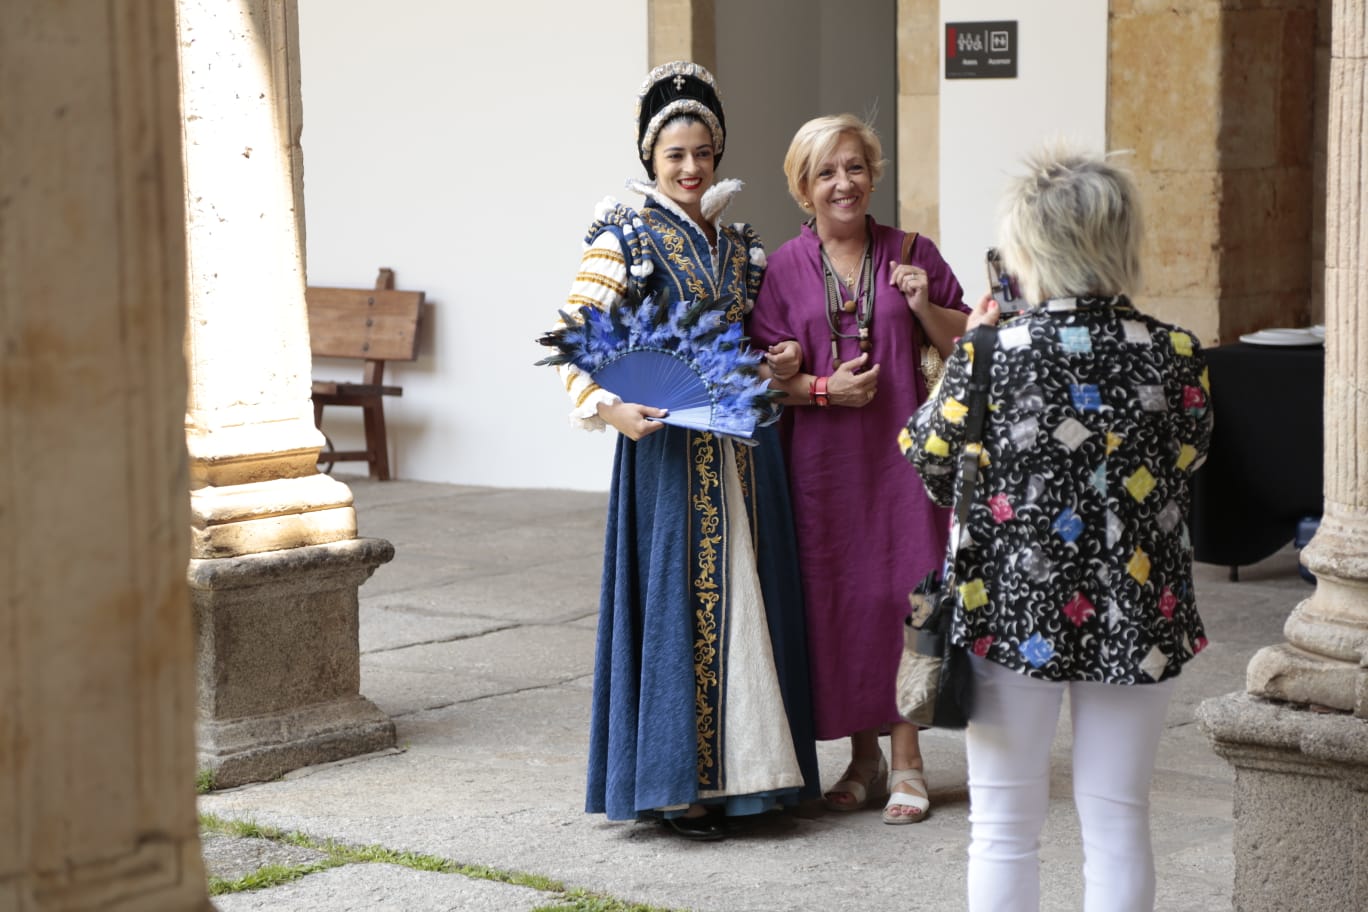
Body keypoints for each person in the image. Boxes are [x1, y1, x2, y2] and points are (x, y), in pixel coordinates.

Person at [902, 144, 1214, 910]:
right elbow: (1188, 456)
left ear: (1031, 248)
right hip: (1137, 607)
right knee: (1119, 820)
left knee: (1003, 828)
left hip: (1011, 608)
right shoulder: (1176, 354)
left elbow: (931, 461)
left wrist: (975, 346)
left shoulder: (989, 355)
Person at [540, 61, 819, 841]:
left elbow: (750, 343)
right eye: (675, 155)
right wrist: (609, 407)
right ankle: (682, 785)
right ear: (650, 158)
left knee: (750, 600)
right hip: (666, 457)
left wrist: (778, 360)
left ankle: (754, 780)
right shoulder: (623, 237)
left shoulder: (740, 247)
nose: (691, 167)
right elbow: (573, 337)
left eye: (702, 152)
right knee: (681, 606)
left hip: (746, 452)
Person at [747, 114, 969, 824]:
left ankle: (908, 760)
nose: (843, 183)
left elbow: (970, 343)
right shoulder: (781, 269)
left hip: (905, 463)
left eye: (854, 167)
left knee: (905, 597)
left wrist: (924, 305)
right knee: (839, 602)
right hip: (822, 469)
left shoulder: (913, 251)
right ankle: (862, 759)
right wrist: (812, 382)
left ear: (873, 175)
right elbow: (759, 378)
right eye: (826, 172)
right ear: (803, 187)